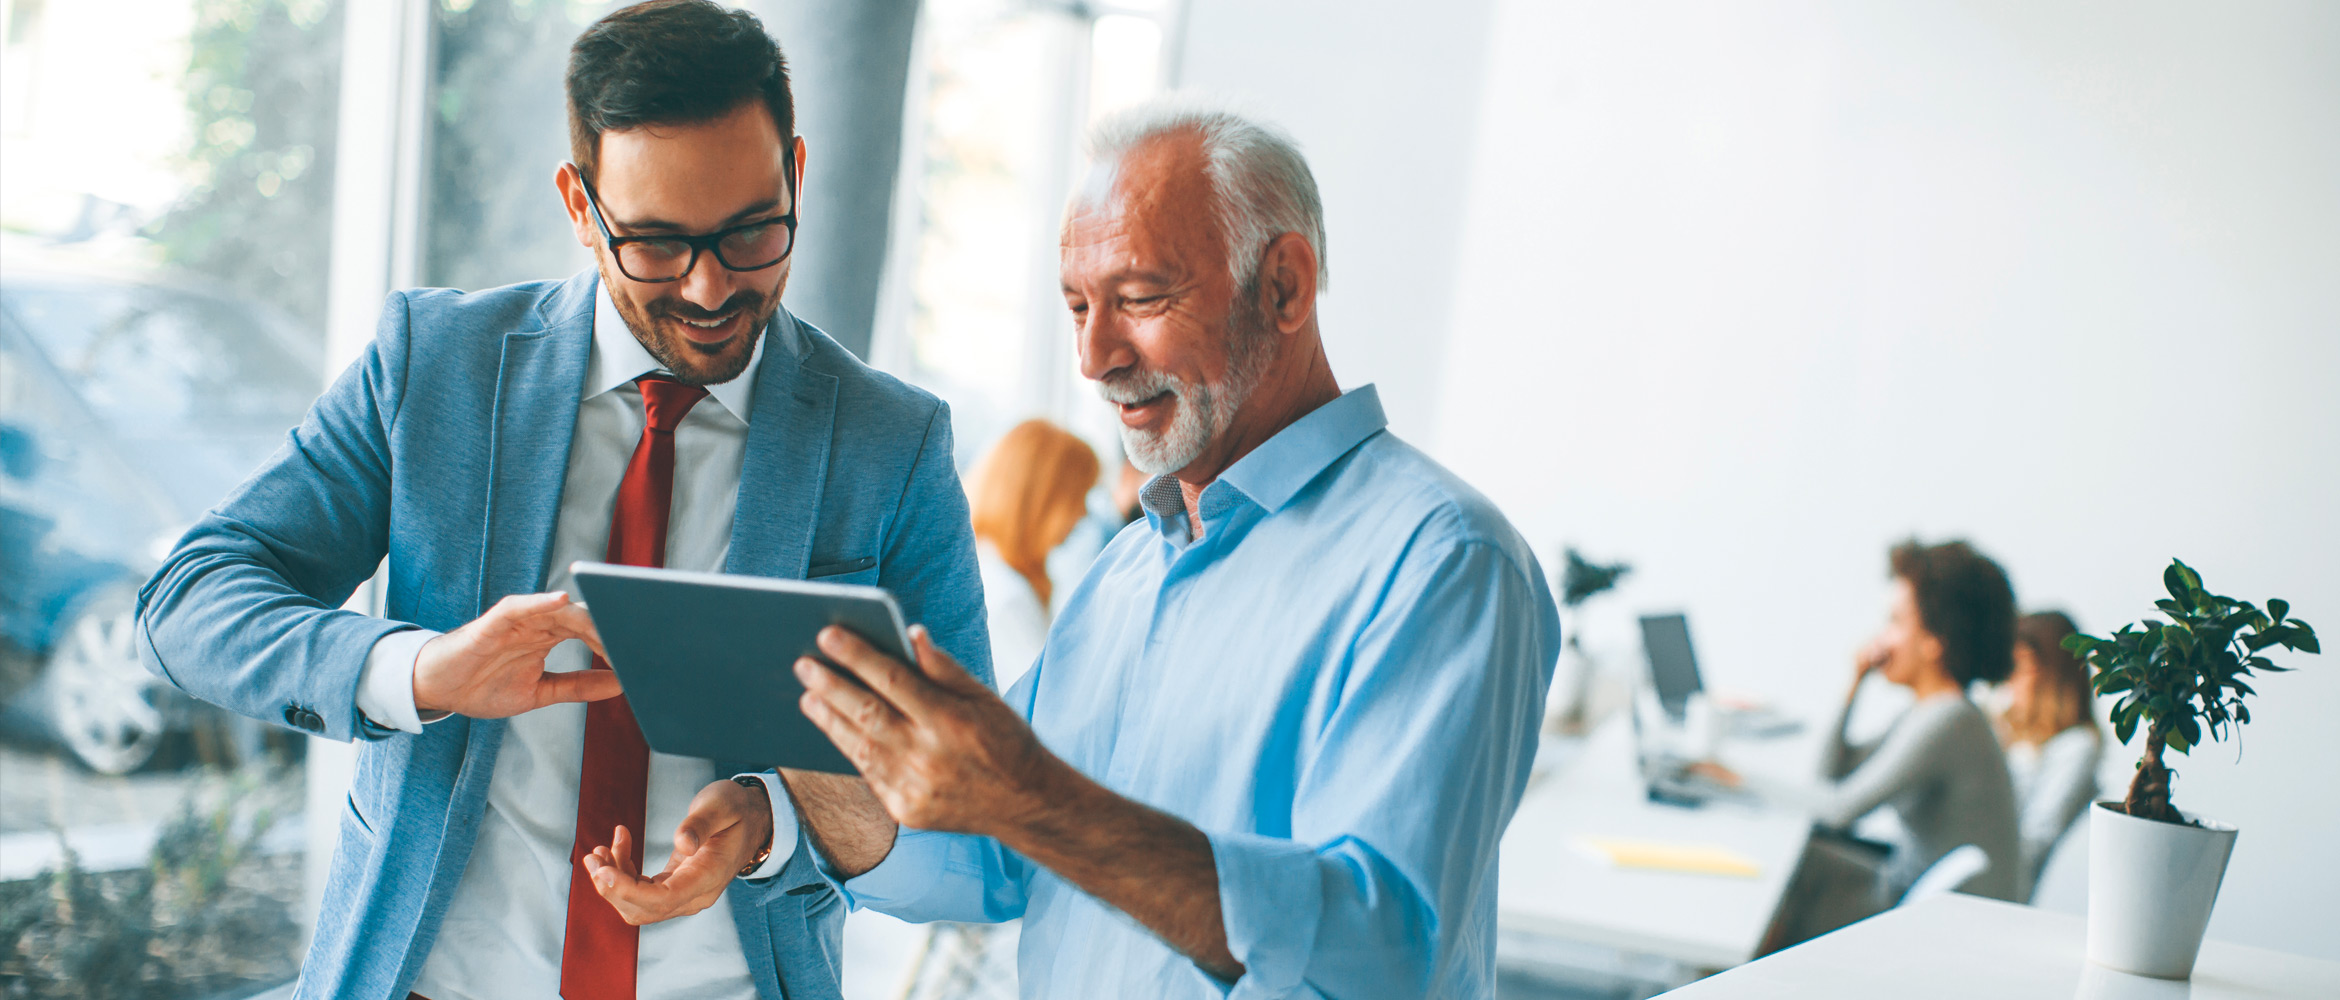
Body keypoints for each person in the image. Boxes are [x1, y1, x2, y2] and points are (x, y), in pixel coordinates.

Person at [132, 3, 989, 997]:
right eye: (658, 244)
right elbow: (187, 601)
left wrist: (775, 818)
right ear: (580, 206)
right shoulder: (436, 368)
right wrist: (420, 670)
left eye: (751, 232)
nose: (711, 289)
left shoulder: (893, 444)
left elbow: (974, 829)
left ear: (795, 172)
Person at [768, 100, 1561, 997]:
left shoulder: (1443, 561)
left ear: (1286, 286)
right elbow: (991, 859)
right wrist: (777, 743)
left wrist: (1033, 798)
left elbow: (1376, 954)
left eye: (1142, 299)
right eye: (1077, 307)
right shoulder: (1127, 570)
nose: (1096, 356)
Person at [1698, 539, 2022, 943]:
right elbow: (1830, 772)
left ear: (1934, 640)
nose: (1880, 639)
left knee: (1795, 869)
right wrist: (1854, 683)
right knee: (1803, 859)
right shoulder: (1930, 712)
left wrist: (1733, 778)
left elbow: (1839, 810)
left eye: (1896, 622)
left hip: (1923, 918)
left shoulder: (1950, 720)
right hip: (1909, 892)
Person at [968, 419, 1100, 689]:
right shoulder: (1006, 597)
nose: (1082, 515)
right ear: (1044, 500)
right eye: (1078, 498)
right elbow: (1046, 709)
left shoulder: (988, 568)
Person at [1994, 610, 2101, 900]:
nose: (2008, 681)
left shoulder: (2077, 746)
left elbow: (2037, 839)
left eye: (2018, 666)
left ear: (2050, 674)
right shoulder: (2003, 726)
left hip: (2001, 891)